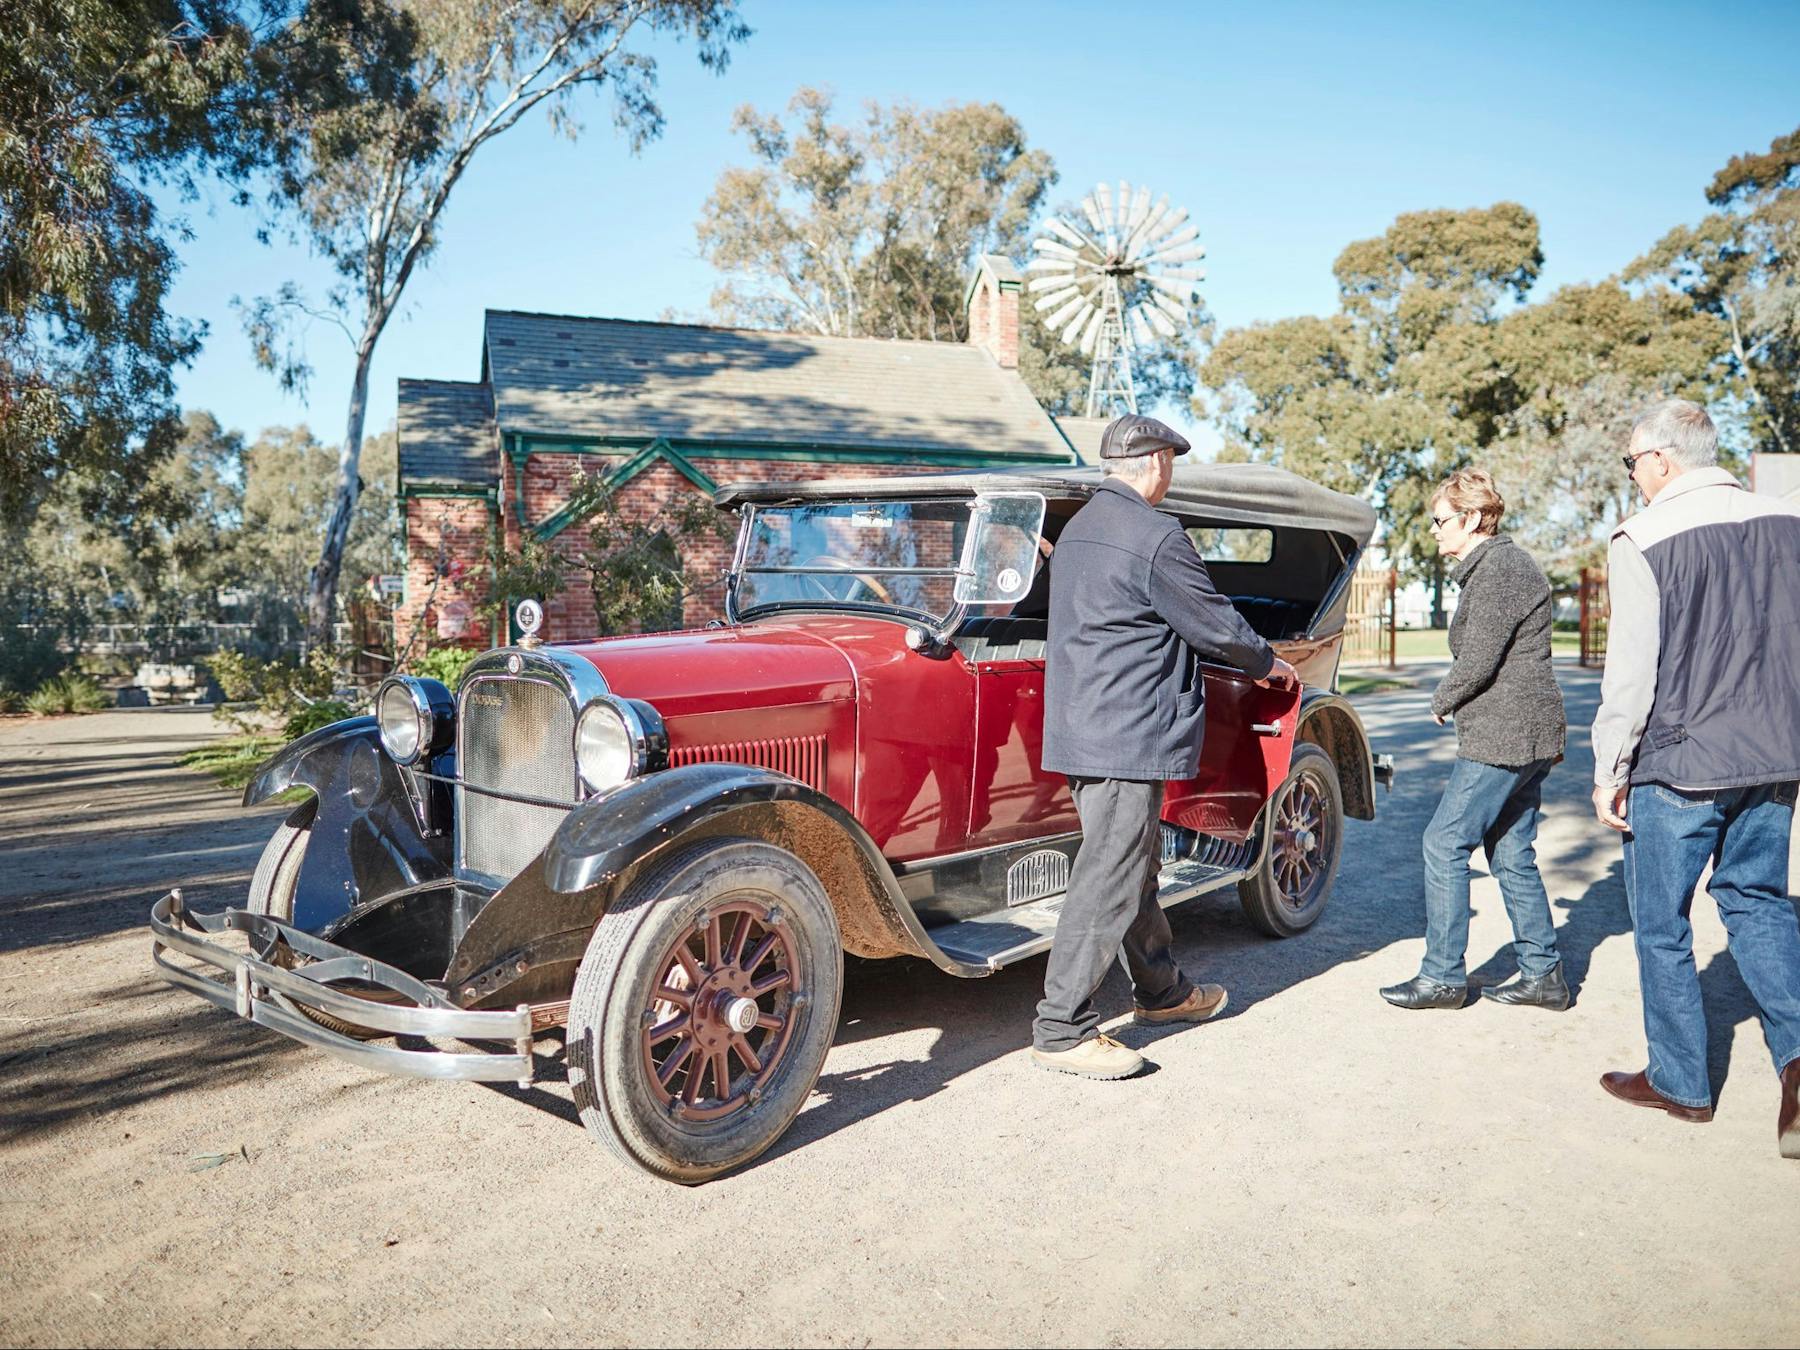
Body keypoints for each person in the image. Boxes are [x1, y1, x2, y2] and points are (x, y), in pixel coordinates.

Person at [1031, 414, 1298, 1079]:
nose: (1170, 473)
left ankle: (1162, 992)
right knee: (1110, 875)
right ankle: (1062, 1028)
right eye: (1171, 462)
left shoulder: (1078, 530)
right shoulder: (1154, 535)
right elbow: (1214, 624)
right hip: (1127, 734)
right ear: (1155, 462)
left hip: (1082, 728)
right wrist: (1269, 663)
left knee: (1132, 864)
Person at [1589, 399, 1800, 1157]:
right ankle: (1799, 1063)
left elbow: (1632, 672)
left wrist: (1610, 768)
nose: (1633, 476)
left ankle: (1681, 1082)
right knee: (1758, 901)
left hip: (1681, 759)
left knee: (1661, 921)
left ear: (1661, 459)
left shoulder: (1642, 537)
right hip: (1775, 753)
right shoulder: (1787, 520)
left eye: (1632, 462)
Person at [1381, 470, 1569, 1011]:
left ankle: (1442, 977)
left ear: (1471, 519)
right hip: (1523, 735)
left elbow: (1480, 659)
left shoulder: (1500, 570)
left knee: (1444, 843)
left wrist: (1441, 700)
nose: (1434, 530)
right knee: (1510, 853)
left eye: (1440, 520)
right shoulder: (1496, 568)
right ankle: (1543, 975)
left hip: (1505, 736)